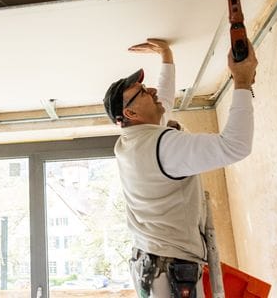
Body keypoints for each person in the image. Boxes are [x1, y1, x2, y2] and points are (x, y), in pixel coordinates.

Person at [103, 38, 257, 298]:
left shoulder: (131, 142)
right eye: (143, 92)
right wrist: (242, 81)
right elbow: (235, 146)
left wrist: (167, 56)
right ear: (129, 114)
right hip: (168, 272)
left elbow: (162, 102)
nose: (151, 91)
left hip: (153, 265)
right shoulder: (163, 146)